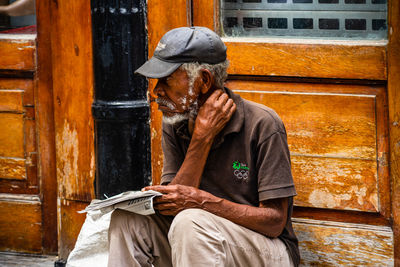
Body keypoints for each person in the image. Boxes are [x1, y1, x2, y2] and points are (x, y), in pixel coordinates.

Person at [107, 26, 300, 267]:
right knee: (126, 220)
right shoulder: (176, 122)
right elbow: (174, 205)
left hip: (267, 250)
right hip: (198, 241)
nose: (156, 91)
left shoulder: (262, 123)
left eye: (166, 79)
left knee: (191, 221)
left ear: (204, 80)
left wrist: (203, 202)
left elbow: (275, 221)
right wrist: (201, 138)